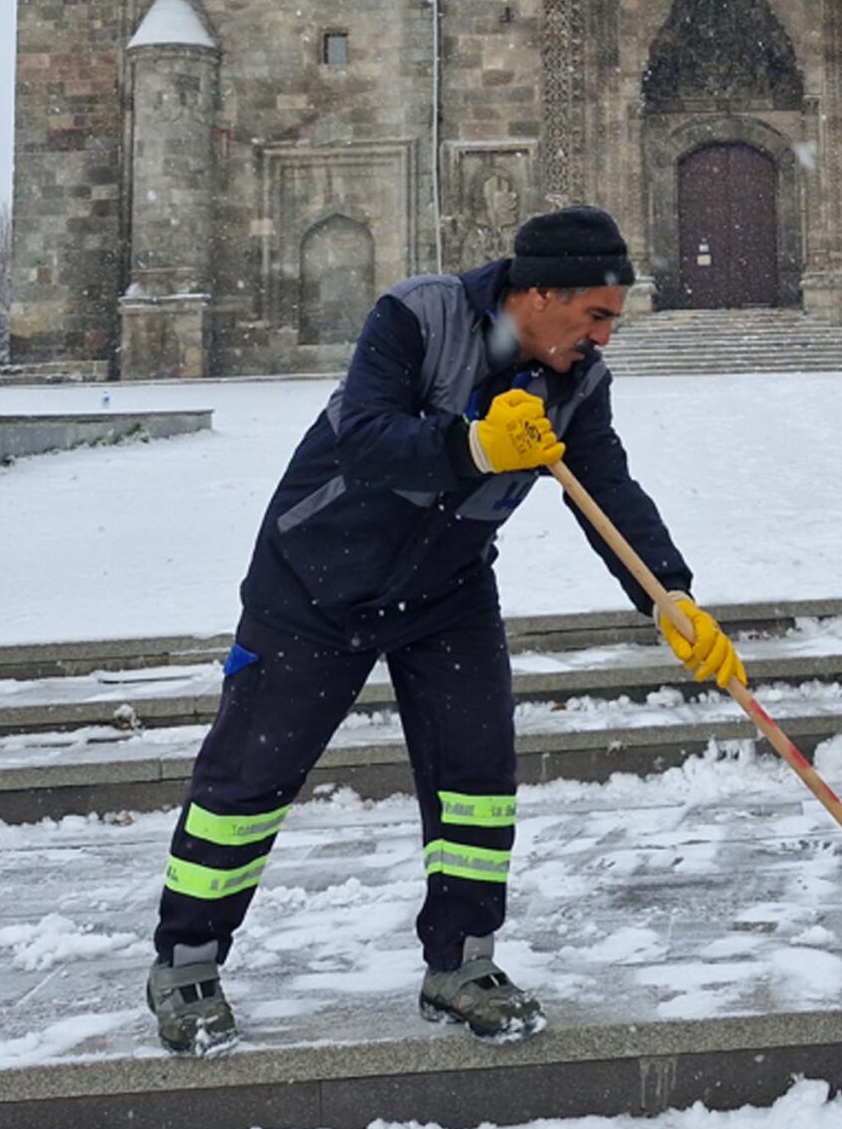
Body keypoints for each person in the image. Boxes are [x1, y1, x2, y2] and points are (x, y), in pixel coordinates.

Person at [144, 206, 748, 1052]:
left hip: (447, 594)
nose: (605, 338)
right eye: (597, 316)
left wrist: (669, 595)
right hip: (313, 583)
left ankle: (461, 963)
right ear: (538, 294)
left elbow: (607, 487)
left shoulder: (578, 383)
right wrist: (474, 446)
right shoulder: (418, 316)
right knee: (249, 780)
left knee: (476, 777)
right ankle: (187, 962)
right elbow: (365, 439)